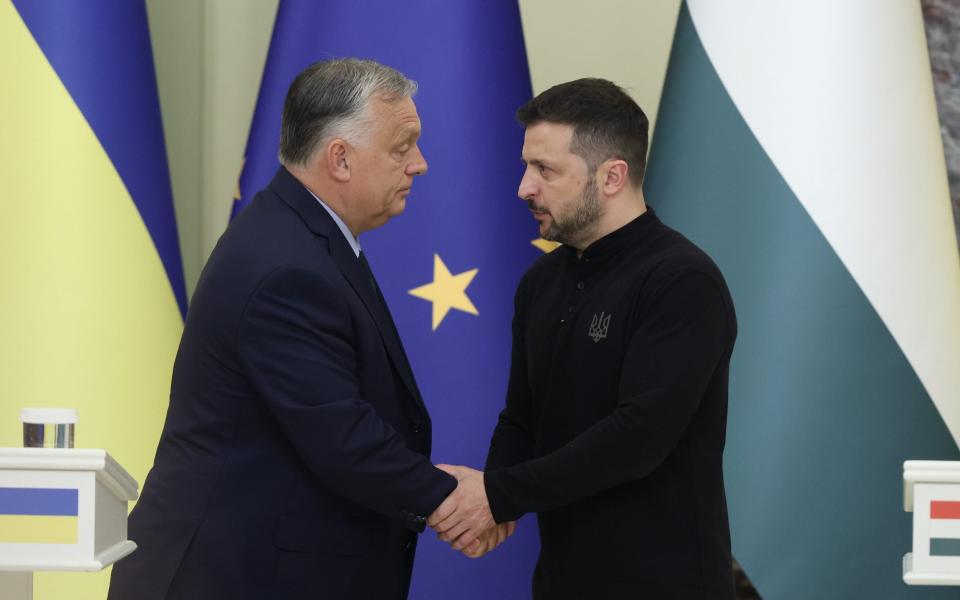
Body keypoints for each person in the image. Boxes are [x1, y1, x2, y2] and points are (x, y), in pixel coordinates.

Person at [108, 58, 457, 600]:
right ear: (339, 158)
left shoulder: (299, 237)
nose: (420, 164)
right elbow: (338, 432)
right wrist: (451, 499)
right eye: (402, 146)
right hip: (225, 577)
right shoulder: (285, 267)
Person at [429, 78, 738, 599]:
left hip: (666, 585)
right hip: (561, 581)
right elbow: (523, 417)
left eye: (545, 170)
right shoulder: (540, 283)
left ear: (612, 176)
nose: (524, 188)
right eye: (527, 166)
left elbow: (638, 438)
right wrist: (493, 510)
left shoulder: (682, 281)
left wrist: (498, 495)